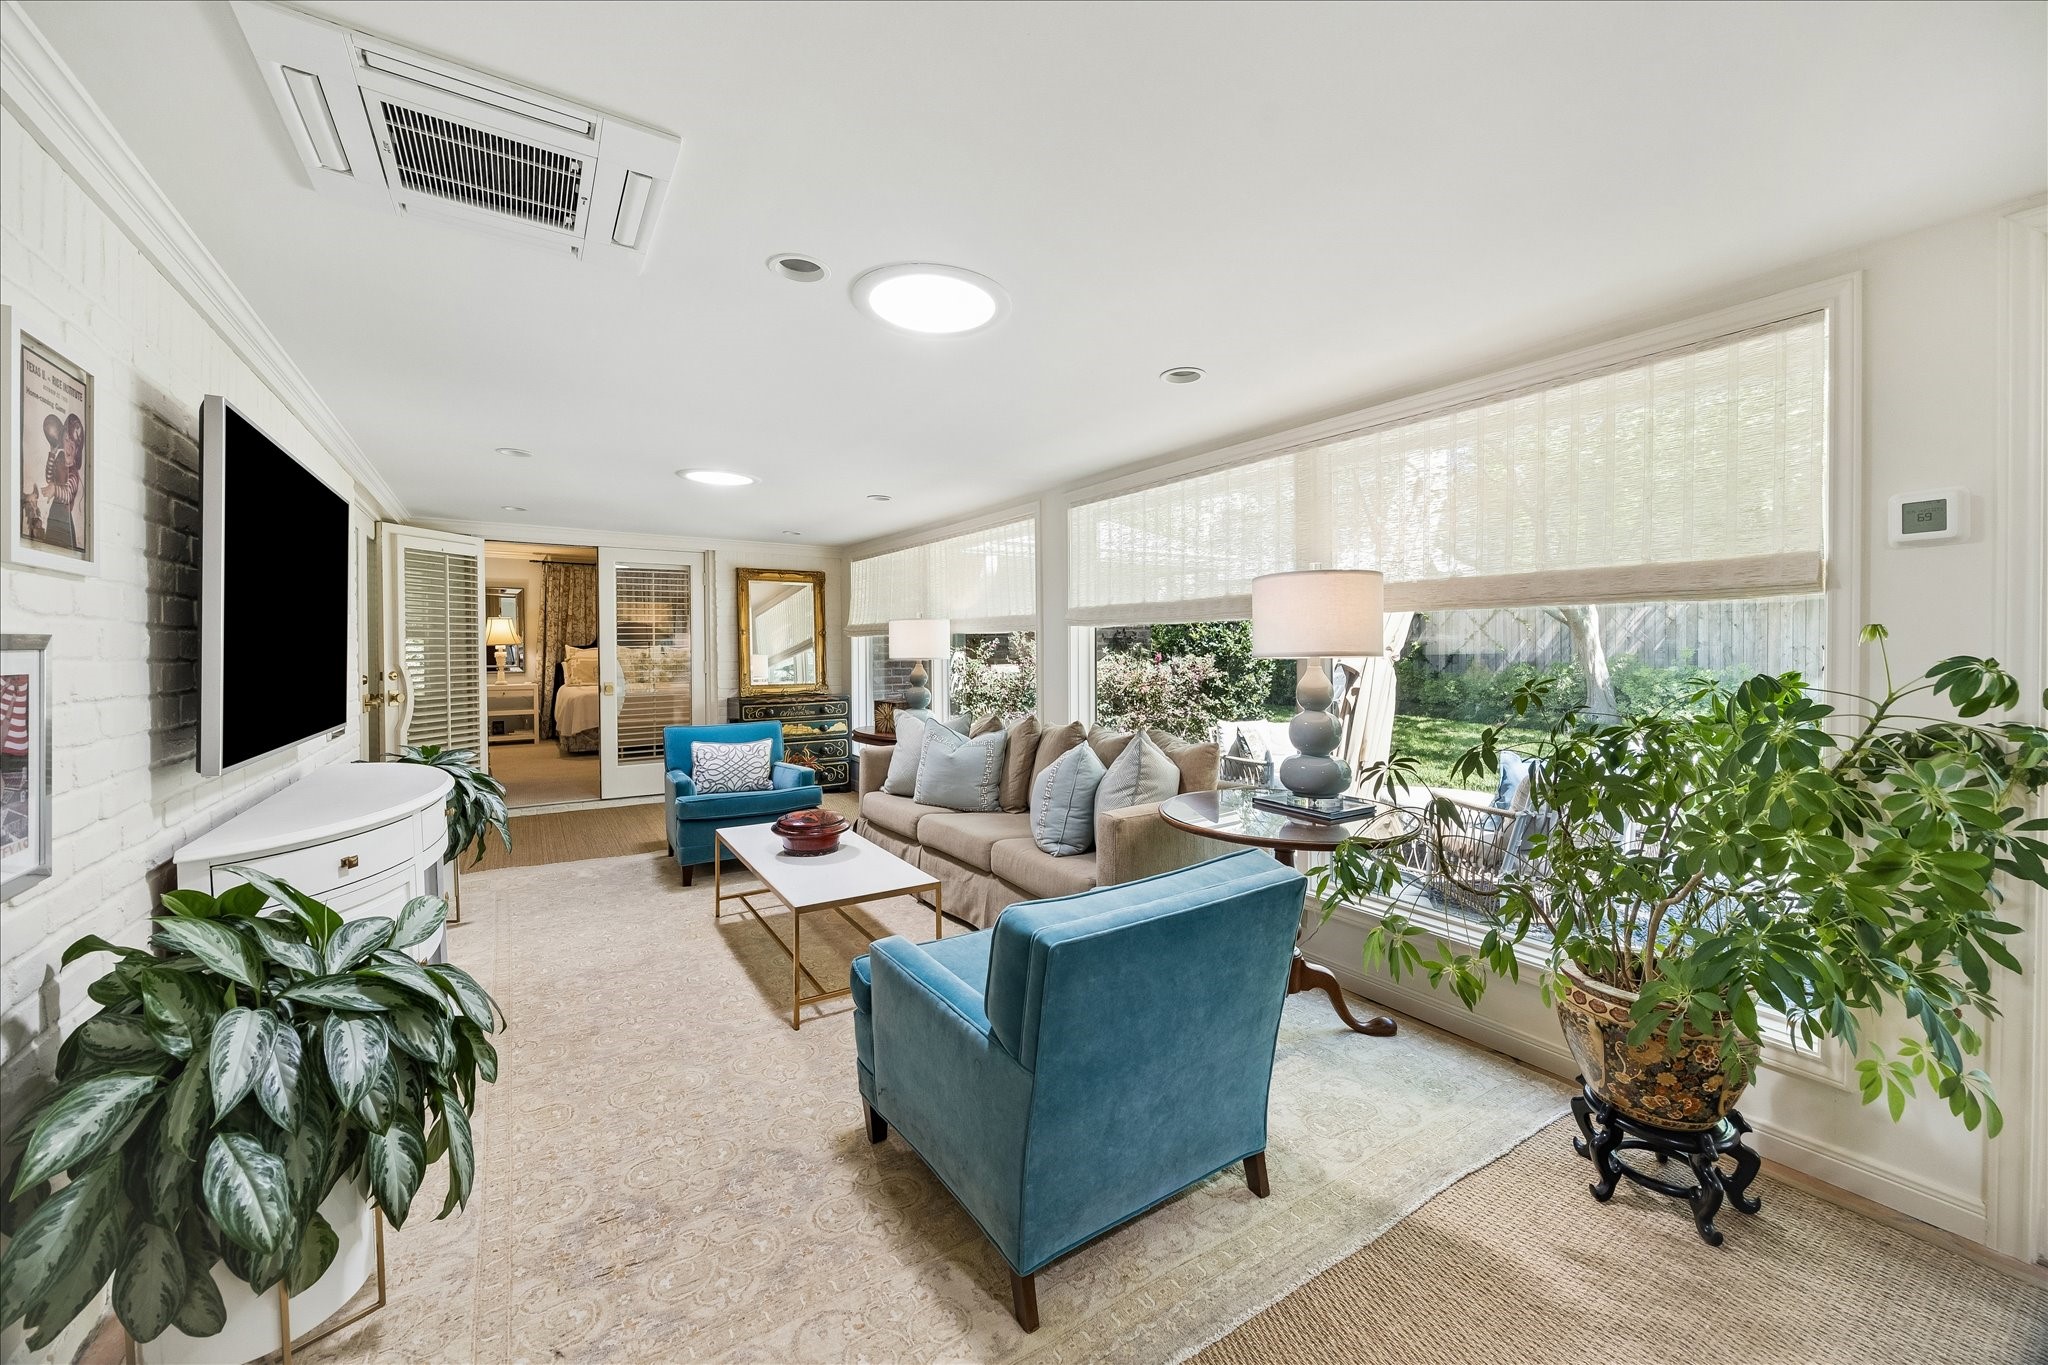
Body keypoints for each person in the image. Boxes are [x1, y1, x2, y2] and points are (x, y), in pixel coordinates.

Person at [39, 412, 82, 551]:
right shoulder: (60, 458)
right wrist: (52, 454)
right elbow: (49, 478)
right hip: (54, 513)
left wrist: (55, 490)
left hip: (64, 519)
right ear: (62, 438)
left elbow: (68, 494)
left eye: (73, 444)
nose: (69, 446)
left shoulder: (73, 472)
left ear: (77, 450)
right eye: (67, 439)